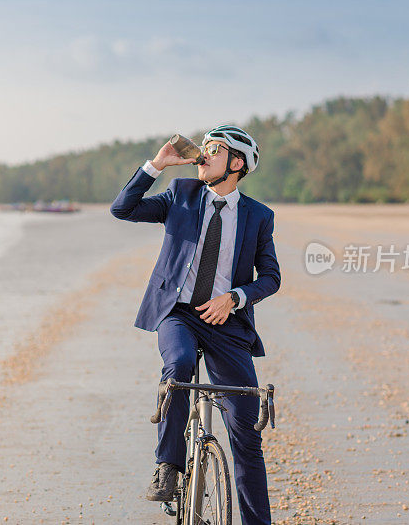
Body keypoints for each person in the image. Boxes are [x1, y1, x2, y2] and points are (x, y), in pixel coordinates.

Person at [110, 125, 281, 525]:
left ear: (236, 163)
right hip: (178, 312)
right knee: (180, 365)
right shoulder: (181, 195)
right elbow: (123, 208)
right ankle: (168, 465)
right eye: (203, 148)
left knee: (246, 434)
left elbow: (270, 278)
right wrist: (157, 165)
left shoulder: (258, 216)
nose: (204, 154)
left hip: (226, 322)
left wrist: (235, 297)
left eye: (215, 149)